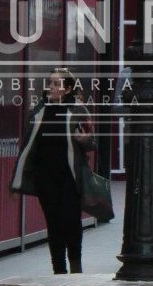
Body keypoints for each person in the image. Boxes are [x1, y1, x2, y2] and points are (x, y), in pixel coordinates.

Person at [12, 68, 94, 274]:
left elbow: (94, 141)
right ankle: (58, 270)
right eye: (50, 82)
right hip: (45, 177)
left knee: (72, 221)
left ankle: (76, 267)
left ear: (67, 89)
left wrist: (86, 140)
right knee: (54, 222)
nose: (51, 87)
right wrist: (16, 181)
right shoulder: (39, 111)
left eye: (56, 84)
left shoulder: (79, 110)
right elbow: (28, 147)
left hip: (71, 177)